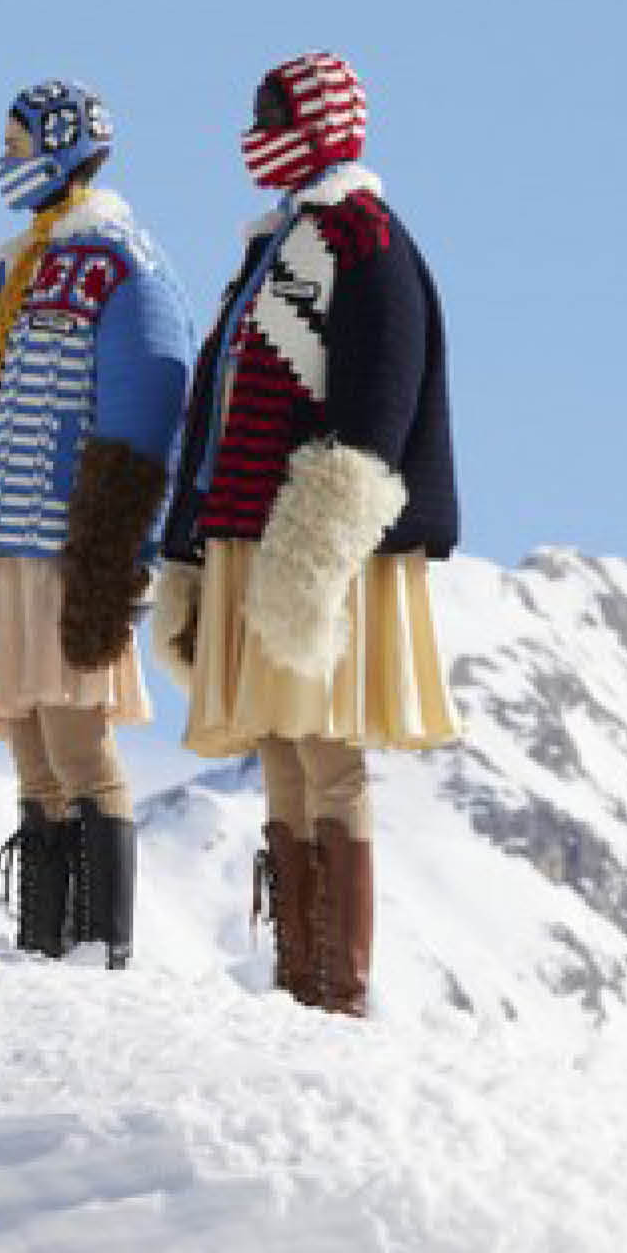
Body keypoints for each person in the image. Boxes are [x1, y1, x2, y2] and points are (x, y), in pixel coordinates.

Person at [153, 53, 459, 1016]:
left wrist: (322, 533)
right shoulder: (281, 242)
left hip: (321, 535)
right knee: (281, 743)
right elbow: (215, 403)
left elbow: (382, 390)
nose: (251, 130)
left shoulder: (362, 241)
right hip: (249, 524)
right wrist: (189, 539)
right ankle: (298, 970)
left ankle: (340, 984)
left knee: (327, 748)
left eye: (267, 113)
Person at [0, 82, 193, 964]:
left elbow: (148, 399)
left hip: (67, 547)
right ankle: (43, 938)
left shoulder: (117, 263)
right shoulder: (10, 270)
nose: (3, 159)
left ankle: (100, 942)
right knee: (31, 752)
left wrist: (114, 556)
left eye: (16, 141)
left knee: (80, 745)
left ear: (65, 146)